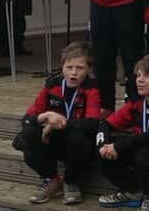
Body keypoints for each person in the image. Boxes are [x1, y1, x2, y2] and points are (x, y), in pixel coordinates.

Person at [12, 41, 100, 205]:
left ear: (89, 69)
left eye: (80, 68)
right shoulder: (52, 83)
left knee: (79, 138)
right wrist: (46, 116)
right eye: (69, 67)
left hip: (75, 145)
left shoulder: (91, 88)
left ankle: (70, 182)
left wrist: (60, 123)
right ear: (62, 67)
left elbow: (92, 123)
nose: (73, 72)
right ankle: (52, 180)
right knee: (27, 136)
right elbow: (28, 118)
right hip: (52, 140)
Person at [97, 54, 149, 211]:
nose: (139, 80)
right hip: (142, 147)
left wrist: (120, 146)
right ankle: (133, 191)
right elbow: (105, 124)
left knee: (143, 153)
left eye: (147, 75)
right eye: (138, 75)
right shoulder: (137, 102)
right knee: (103, 151)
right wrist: (103, 145)